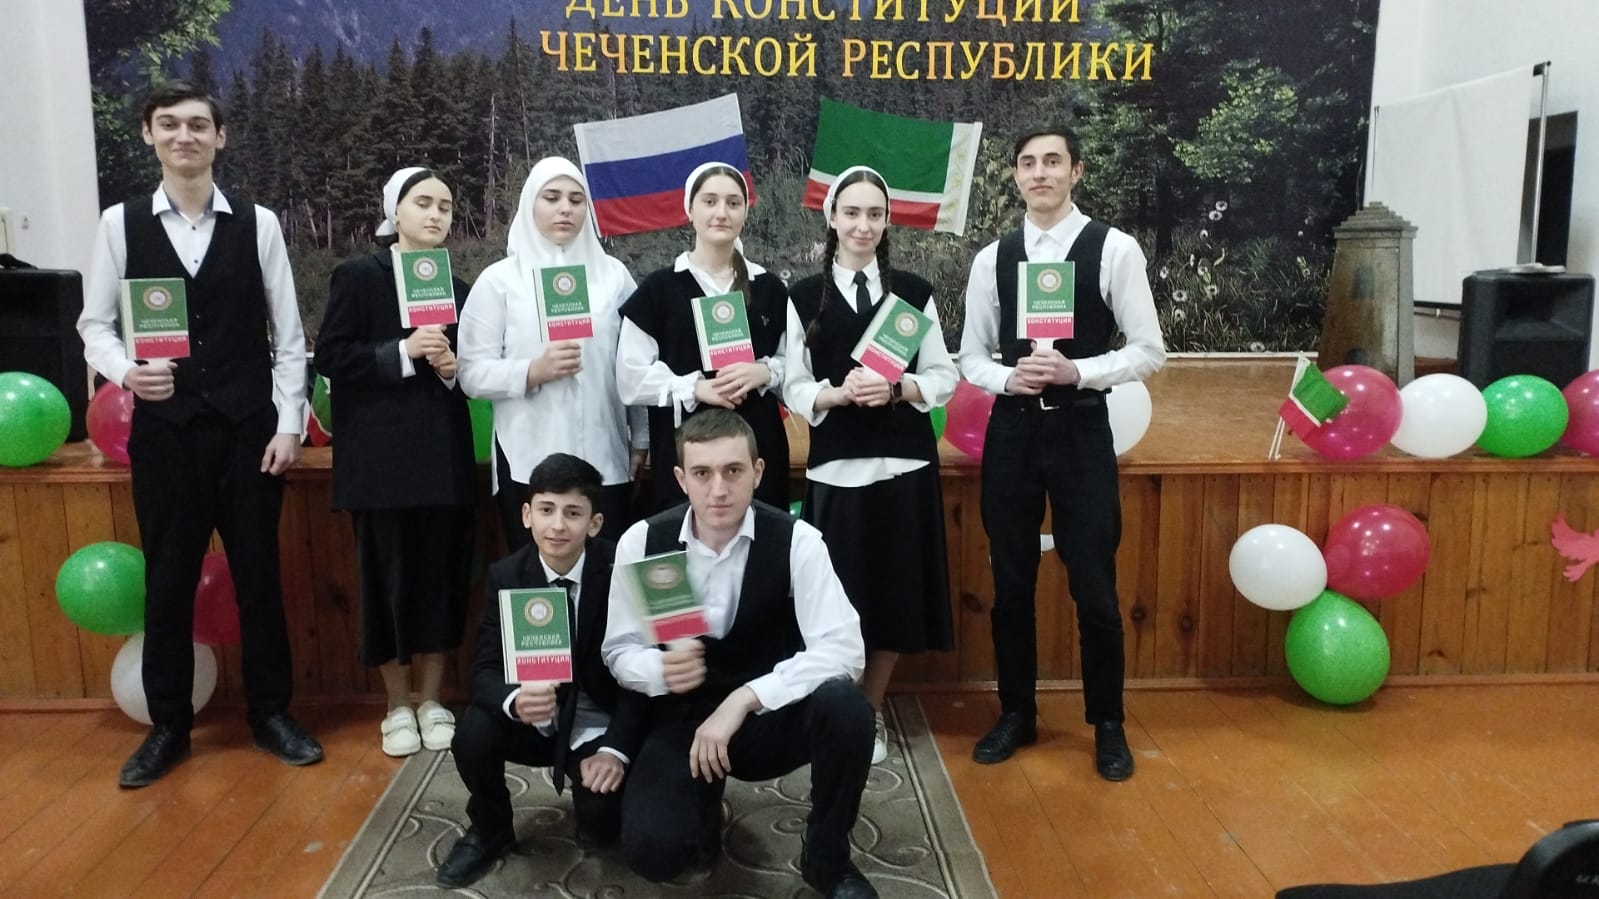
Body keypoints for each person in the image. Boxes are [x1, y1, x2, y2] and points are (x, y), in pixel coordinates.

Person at [77, 80, 322, 787]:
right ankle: (168, 728)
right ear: (149, 135)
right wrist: (127, 372)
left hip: (250, 434)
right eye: (168, 124)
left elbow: (289, 337)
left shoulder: (259, 223)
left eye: (196, 125)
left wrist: (288, 423)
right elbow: (94, 326)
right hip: (166, 436)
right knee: (168, 583)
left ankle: (272, 715)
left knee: (259, 579)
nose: (183, 136)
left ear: (220, 137)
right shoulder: (120, 224)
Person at [958, 126, 1166, 779]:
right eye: (1028, 163)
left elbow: (1149, 350)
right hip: (1012, 433)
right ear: (1015, 176)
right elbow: (969, 356)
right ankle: (1016, 712)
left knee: (1094, 586)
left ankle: (1108, 722)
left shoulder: (1114, 248)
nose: (1039, 173)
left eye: (1053, 161)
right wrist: (1005, 379)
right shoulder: (992, 258)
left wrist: (1079, 372)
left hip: (1080, 430)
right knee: (1010, 584)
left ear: (1076, 171)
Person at [602, 409, 878, 899]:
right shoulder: (643, 541)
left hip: (764, 717)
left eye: (733, 471)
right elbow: (619, 650)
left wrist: (745, 698)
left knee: (848, 708)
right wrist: (659, 669)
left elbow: (844, 650)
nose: (719, 490)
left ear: (758, 472)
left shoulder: (797, 540)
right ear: (681, 479)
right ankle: (701, 806)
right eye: (702, 474)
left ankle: (827, 857)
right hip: (681, 718)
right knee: (654, 852)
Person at [784, 166, 957, 764]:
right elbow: (792, 384)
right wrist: (835, 395)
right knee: (839, 598)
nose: (863, 225)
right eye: (852, 213)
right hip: (837, 468)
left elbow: (943, 375)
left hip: (905, 465)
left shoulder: (912, 292)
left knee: (894, 597)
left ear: (887, 222)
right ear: (832, 218)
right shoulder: (802, 296)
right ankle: (838, 711)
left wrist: (898, 388)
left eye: (875, 214)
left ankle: (870, 711)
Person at [314, 167, 476, 758]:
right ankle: (396, 706)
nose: (435, 214)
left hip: (443, 459)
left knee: (440, 581)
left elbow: (475, 371)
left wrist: (456, 371)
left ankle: (432, 701)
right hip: (379, 463)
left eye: (445, 206)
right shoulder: (360, 276)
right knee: (386, 584)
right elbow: (331, 356)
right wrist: (402, 352)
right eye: (423, 203)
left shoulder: (458, 288)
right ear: (395, 211)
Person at [436, 452, 648, 888]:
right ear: (526, 515)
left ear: (595, 523)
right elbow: (482, 671)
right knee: (473, 733)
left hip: (599, 720)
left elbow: (643, 675)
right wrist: (515, 700)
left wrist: (616, 748)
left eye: (573, 513)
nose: (558, 525)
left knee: (601, 825)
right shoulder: (507, 576)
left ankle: (599, 797)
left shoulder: (622, 569)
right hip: (537, 719)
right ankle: (490, 827)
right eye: (547, 510)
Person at [458, 157, 646, 548]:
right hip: (528, 458)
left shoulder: (613, 277)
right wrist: (531, 371)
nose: (565, 209)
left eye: (576, 200)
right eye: (552, 197)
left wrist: (641, 436)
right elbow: (471, 373)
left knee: (604, 571)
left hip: (604, 454)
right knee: (537, 575)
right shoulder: (499, 281)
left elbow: (635, 364)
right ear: (531, 203)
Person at [616, 162, 789, 512]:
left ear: (745, 212)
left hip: (759, 455)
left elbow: (798, 368)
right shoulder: (658, 290)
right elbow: (630, 379)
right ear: (689, 210)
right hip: (685, 458)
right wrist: (694, 388)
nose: (721, 213)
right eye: (709, 201)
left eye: (733, 203)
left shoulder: (769, 289)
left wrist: (764, 372)